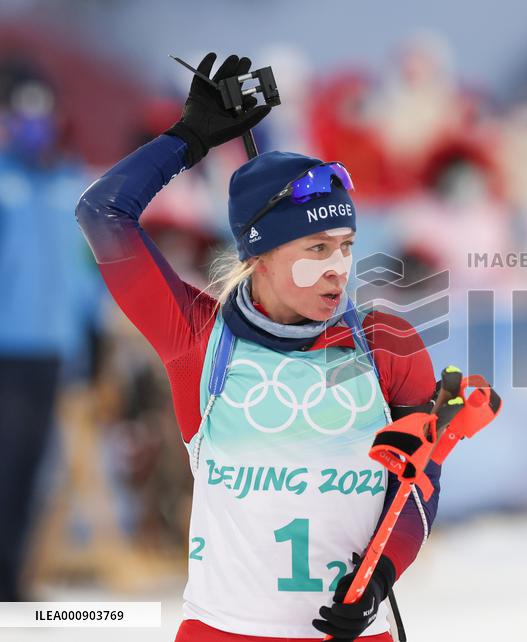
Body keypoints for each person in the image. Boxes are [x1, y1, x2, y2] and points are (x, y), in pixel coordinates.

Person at [77, 53, 441, 642]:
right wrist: (189, 139)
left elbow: (421, 487)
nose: (339, 270)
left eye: (345, 246)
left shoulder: (386, 345)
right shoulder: (197, 339)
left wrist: (379, 576)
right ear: (257, 256)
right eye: (315, 250)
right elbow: (102, 213)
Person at [0, 60, 99, 601]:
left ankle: (13, 584)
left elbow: (85, 268)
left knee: (33, 473)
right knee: (4, 468)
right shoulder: (3, 180)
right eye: (22, 111)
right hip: (7, 350)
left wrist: (92, 332)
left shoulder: (70, 184)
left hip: (54, 348)